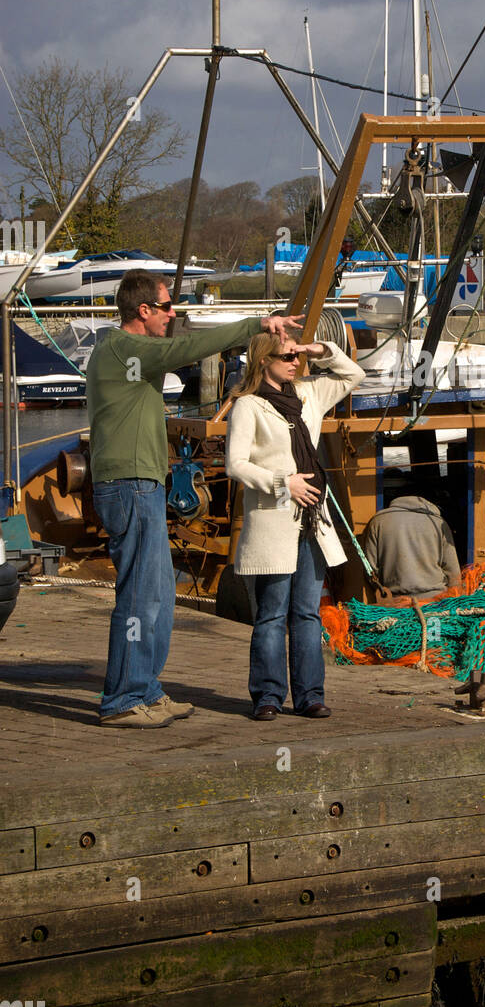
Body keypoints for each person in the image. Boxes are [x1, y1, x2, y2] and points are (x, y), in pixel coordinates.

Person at [87, 269, 303, 728]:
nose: (173, 315)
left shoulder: (130, 355)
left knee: (159, 594)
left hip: (143, 485)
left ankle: (146, 688)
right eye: (167, 307)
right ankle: (123, 699)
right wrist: (257, 324)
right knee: (140, 596)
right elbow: (188, 349)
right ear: (143, 310)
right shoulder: (126, 349)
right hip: (129, 485)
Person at [225, 331, 364, 721]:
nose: (294, 362)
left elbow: (352, 375)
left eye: (296, 356)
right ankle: (267, 696)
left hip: (311, 521)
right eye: (286, 357)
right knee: (271, 614)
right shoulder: (247, 406)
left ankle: (310, 696)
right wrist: (282, 483)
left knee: (307, 613)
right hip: (274, 521)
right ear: (263, 361)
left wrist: (318, 350)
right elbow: (235, 464)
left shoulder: (308, 394)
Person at [362, 492, 461, 600]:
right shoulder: (438, 523)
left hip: (395, 601)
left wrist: (384, 592)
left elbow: (370, 570)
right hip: (435, 601)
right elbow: (453, 572)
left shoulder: (378, 521)